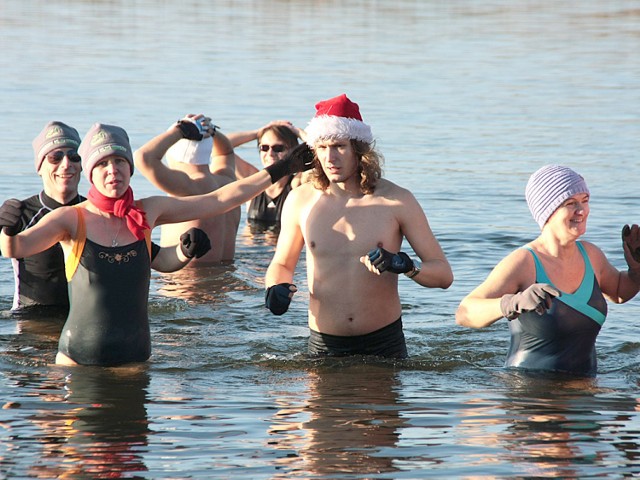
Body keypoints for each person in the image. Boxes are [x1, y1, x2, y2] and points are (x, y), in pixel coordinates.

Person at [0, 116, 313, 366]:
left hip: (135, 363)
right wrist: (7, 228)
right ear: (91, 173)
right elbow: (16, 249)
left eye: (120, 162)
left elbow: (221, 199)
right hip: (77, 364)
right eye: (102, 164)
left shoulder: (147, 212)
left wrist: (282, 168)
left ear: (130, 168)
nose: (113, 171)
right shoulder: (72, 218)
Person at [264, 94, 453, 359]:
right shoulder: (300, 200)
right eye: (322, 147)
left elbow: (443, 275)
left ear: (359, 149)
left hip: (384, 346)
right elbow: (282, 264)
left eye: (339, 146)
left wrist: (406, 265)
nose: (330, 158)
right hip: (324, 346)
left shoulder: (397, 200)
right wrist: (275, 288)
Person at [0, 121, 203, 317]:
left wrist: (185, 250)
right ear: (39, 166)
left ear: (84, 166)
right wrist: (5, 229)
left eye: (74, 157)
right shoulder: (17, 214)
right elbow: (9, 248)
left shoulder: (99, 213)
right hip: (33, 327)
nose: (66, 165)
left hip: (90, 328)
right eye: (55, 157)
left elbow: (156, 258)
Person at [455, 164, 640, 376]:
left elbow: (619, 292)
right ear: (548, 210)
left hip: (583, 390)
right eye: (570, 203)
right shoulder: (524, 261)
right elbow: (464, 313)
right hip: (530, 391)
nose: (582, 210)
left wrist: (636, 269)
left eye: (585, 201)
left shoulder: (591, 254)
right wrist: (512, 302)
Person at [135, 119, 240, 265]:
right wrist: (211, 131)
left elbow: (143, 158)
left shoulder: (187, 187)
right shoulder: (227, 181)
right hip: (227, 279)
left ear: (175, 153)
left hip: (185, 283)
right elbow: (226, 153)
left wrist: (178, 131)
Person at [228, 120, 307, 229]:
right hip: (251, 245)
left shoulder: (297, 184)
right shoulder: (253, 183)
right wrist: (257, 133)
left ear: (292, 151)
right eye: (264, 147)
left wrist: (298, 132)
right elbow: (222, 146)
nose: (270, 154)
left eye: (278, 148)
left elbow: (318, 150)